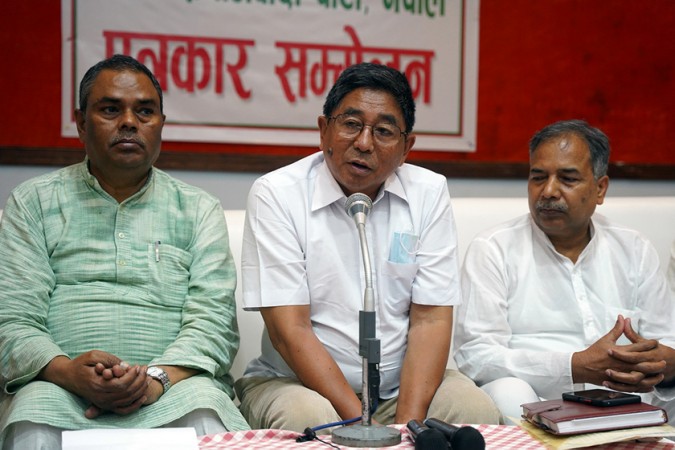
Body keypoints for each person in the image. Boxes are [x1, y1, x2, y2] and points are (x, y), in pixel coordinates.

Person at [0, 54, 249, 448]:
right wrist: (69, 373)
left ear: (161, 124)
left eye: (145, 111)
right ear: (81, 123)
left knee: (206, 413)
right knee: (33, 418)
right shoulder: (34, 203)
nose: (130, 122)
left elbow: (214, 323)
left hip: (173, 387)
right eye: (111, 109)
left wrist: (155, 379)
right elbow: (13, 319)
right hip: (62, 389)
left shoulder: (198, 208)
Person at [235, 62, 500, 432]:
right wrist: (366, 425)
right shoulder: (277, 194)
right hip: (297, 386)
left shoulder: (428, 192)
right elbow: (290, 330)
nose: (363, 143)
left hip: (400, 393)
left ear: (406, 148)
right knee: (308, 417)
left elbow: (430, 319)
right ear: (323, 130)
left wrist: (407, 428)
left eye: (384, 131)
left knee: (473, 408)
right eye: (351, 124)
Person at [454, 119, 675, 424]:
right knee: (508, 393)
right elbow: (476, 356)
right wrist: (573, 366)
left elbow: (667, 336)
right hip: (540, 402)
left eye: (567, 179)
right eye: (538, 177)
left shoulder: (633, 247)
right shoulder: (494, 249)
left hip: (629, 397)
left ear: (600, 189)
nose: (548, 191)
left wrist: (659, 362)